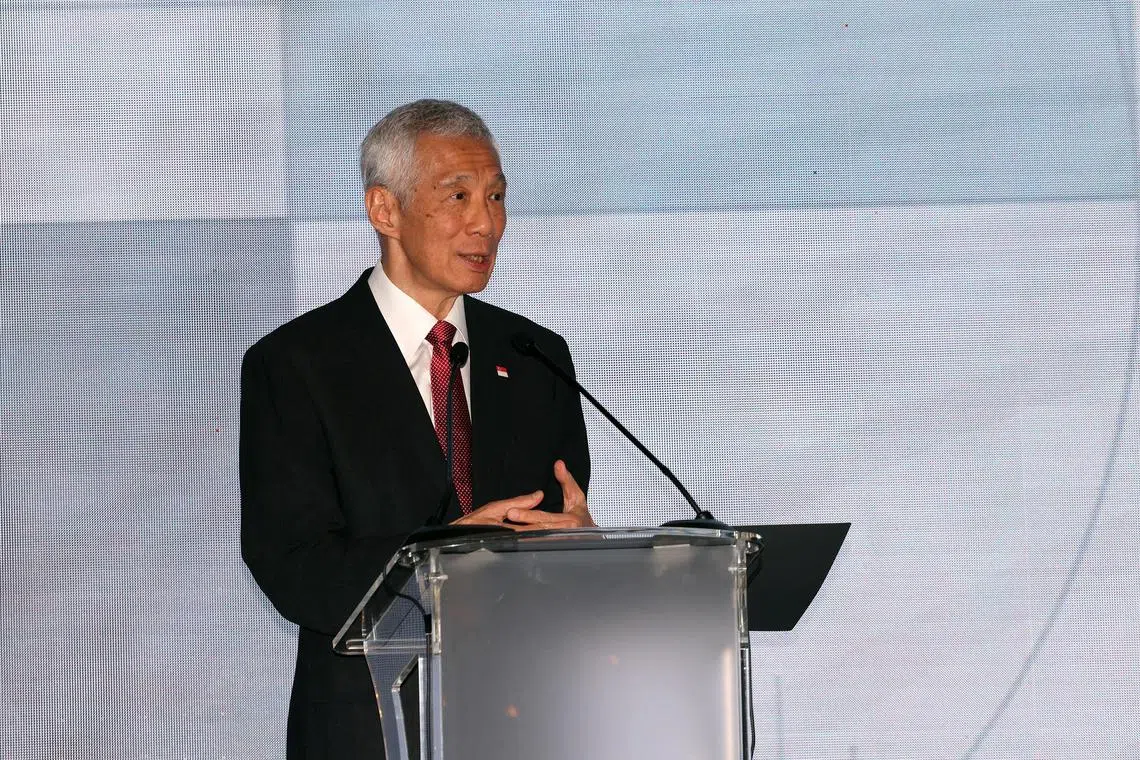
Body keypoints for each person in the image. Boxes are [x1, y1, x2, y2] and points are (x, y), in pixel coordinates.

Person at [239, 99, 593, 759]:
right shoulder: (296, 365)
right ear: (385, 210)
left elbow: (555, 539)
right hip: (368, 726)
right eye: (457, 196)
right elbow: (290, 564)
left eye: (496, 197)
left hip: (523, 720)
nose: (485, 222)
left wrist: (583, 550)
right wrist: (434, 558)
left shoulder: (534, 355)